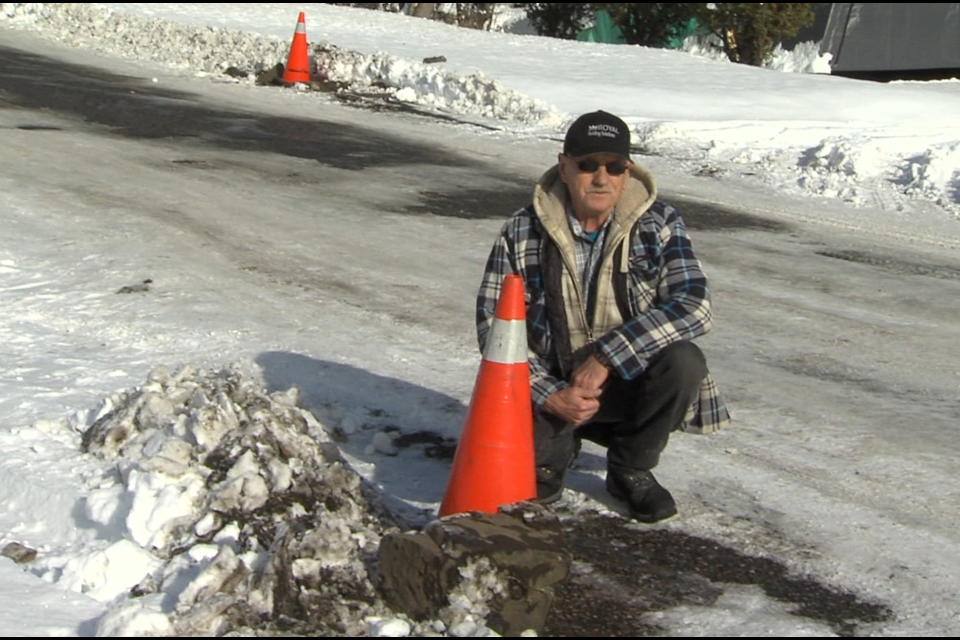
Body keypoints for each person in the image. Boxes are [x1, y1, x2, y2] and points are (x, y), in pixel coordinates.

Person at [476, 110, 730, 523]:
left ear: (627, 172)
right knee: (530, 496)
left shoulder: (659, 223)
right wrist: (549, 394)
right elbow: (493, 328)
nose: (601, 177)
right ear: (564, 166)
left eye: (614, 167)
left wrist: (606, 357)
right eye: (588, 165)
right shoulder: (522, 231)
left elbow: (695, 305)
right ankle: (557, 447)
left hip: (627, 382)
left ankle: (631, 467)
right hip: (555, 387)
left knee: (684, 362)